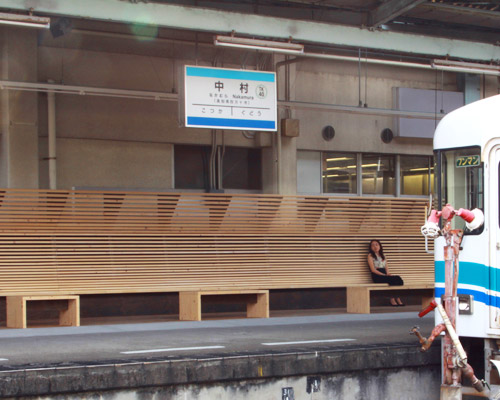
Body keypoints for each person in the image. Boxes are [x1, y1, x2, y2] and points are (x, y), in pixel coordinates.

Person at [367, 239, 405, 307]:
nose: (375, 247)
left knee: (398, 278)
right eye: (373, 245)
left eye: (376, 245)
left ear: (380, 246)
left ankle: (397, 297)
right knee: (393, 280)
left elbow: (386, 267)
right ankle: (392, 299)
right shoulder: (370, 256)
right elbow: (373, 270)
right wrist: (384, 275)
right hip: (377, 275)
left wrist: (388, 274)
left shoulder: (383, 255)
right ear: (370, 248)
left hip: (384, 274)